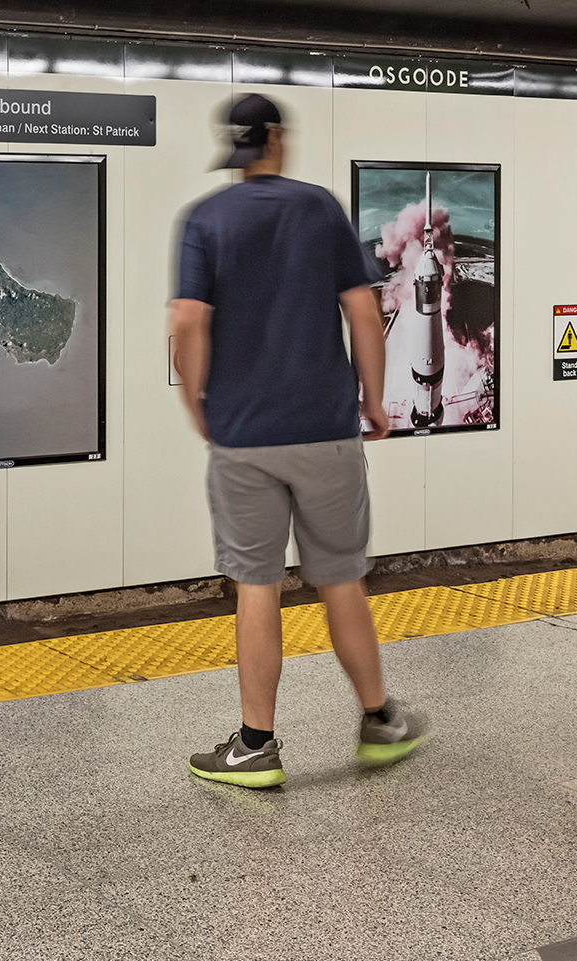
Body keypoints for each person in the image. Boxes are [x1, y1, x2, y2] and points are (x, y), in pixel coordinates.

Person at [169, 92, 431, 788]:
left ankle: (256, 746)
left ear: (235, 149)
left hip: (242, 435)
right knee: (340, 577)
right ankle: (379, 721)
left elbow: (187, 320)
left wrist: (197, 400)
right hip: (323, 428)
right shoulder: (318, 208)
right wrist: (373, 400)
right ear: (277, 138)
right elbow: (363, 311)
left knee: (255, 585)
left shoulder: (203, 219)